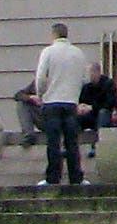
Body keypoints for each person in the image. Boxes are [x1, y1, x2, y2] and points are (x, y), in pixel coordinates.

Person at [33, 22, 90, 187]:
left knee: (53, 141)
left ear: (54, 34)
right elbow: (84, 78)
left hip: (52, 101)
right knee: (72, 141)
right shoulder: (78, 53)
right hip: (71, 101)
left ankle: (53, 177)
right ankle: (76, 177)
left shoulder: (48, 52)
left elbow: (41, 77)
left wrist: (40, 94)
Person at [78, 58, 117, 168]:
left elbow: (111, 103)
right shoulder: (86, 87)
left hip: (105, 116)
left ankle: (96, 146)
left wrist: (92, 107)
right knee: (74, 118)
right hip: (91, 116)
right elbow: (82, 100)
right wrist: (81, 107)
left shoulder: (108, 84)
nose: (88, 76)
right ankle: (70, 147)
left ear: (97, 72)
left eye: (90, 73)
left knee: (102, 113)